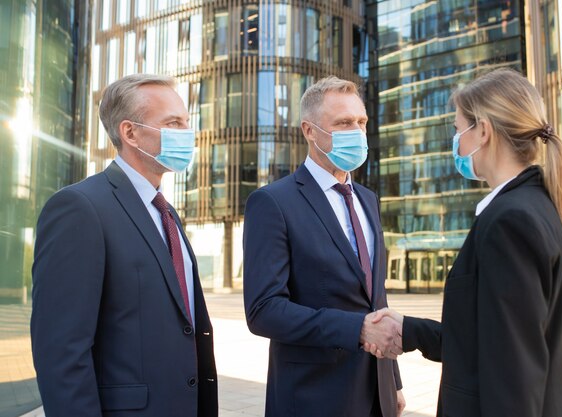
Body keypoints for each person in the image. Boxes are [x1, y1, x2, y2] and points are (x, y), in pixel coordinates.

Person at [367, 68, 562, 417]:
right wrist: (412, 331)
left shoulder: (509, 222)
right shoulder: (538, 206)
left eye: (458, 130)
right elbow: (492, 338)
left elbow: (514, 374)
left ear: (483, 131)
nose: (456, 142)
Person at [31, 74, 218, 417]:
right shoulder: (80, 208)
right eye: (173, 123)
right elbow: (61, 352)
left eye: (187, 122)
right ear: (130, 132)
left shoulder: (164, 212)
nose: (187, 134)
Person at [243, 76, 405, 417]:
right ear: (309, 131)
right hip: (313, 397)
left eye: (361, 122)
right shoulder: (272, 202)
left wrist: (393, 381)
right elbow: (264, 311)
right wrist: (356, 329)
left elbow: (375, 298)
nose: (357, 132)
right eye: (343, 123)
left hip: (376, 393)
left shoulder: (368, 199)